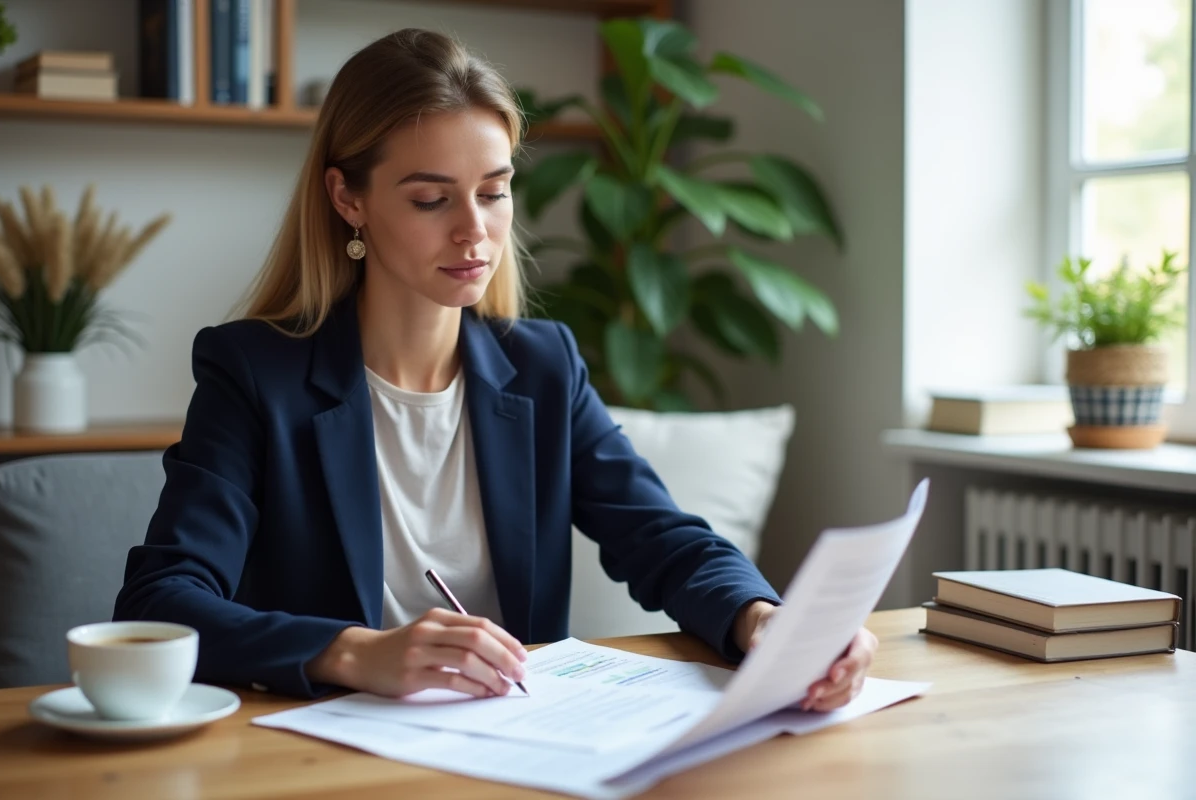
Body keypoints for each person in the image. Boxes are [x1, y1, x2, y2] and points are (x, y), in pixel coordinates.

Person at [114, 28, 876, 710]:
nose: (474, 231)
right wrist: (355, 651)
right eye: (430, 199)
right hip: (319, 753)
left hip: (511, 747)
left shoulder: (542, 366)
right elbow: (161, 604)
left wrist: (763, 620)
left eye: (494, 192)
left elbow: (664, 539)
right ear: (348, 197)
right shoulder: (255, 373)